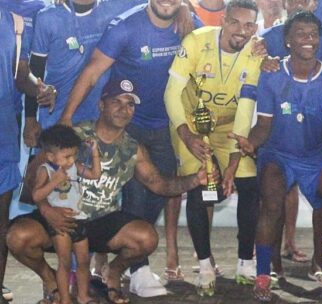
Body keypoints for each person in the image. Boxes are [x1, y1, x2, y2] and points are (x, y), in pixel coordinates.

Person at [59, 0, 201, 297]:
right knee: (136, 195)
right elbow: (92, 72)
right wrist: (66, 117)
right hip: (130, 124)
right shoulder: (125, 27)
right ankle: (138, 271)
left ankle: (120, 262)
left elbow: (216, 47)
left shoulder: (188, 24)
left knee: (160, 192)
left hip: (167, 126)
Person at [8, 78, 211, 304]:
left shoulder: (133, 148)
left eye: (130, 104)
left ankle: (113, 272)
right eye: (116, 102)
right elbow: (32, 178)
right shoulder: (72, 135)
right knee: (17, 237)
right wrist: (47, 210)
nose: (124, 110)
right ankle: (51, 281)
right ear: (101, 104)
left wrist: (195, 179)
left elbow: (159, 183)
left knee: (146, 239)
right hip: (60, 218)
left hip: (102, 222)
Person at [229, 11, 322, 302]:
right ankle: (263, 275)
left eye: (313, 34)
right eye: (300, 34)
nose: (308, 39)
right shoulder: (272, 74)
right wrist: (250, 144)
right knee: (271, 205)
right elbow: (263, 127)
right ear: (287, 40)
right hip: (278, 154)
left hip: (317, 156)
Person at [164, 0, 263, 293]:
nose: (241, 30)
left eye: (248, 25)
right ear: (223, 20)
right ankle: (205, 265)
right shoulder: (196, 41)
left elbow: (245, 109)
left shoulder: (255, 52)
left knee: (249, 184)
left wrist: (232, 164)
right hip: (191, 127)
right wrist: (187, 136)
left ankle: (245, 261)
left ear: (255, 28)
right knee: (202, 187)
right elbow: (171, 93)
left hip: (228, 130)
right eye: (234, 22)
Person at [259, 0, 322, 272]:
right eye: (292, 0)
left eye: (305, 0)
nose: (299, 5)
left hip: (319, 141)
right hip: (280, 142)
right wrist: (260, 62)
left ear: (315, 3)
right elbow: (250, 78)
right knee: (273, 202)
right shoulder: (267, 39)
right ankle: (270, 267)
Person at [17, 0, 145, 147]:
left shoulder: (115, 6)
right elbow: (36, 71)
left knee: (94, 165)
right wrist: (31, 118)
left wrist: (181, 8)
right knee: (52, 165)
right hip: (56, 112)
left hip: (99, 117)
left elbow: (159, 0)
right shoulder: (48, 17)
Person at [32, 125, 103, 304]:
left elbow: (95, 175)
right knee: (64, 263)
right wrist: (54, 182)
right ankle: (65, 299)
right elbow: (36, 196)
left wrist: (95, 152)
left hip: (79, 220)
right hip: (60, 224)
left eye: (74, 155)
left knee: (83, 261)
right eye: (67, 156)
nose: (71, 160)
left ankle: (83, 295)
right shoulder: (45, 170)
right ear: (50, 156)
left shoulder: (74, 167)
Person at [0, 0, 30, 304]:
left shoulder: (14, 23)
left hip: (4, 137)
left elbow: (21, 75)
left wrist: (40, 88)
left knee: (1, 222)